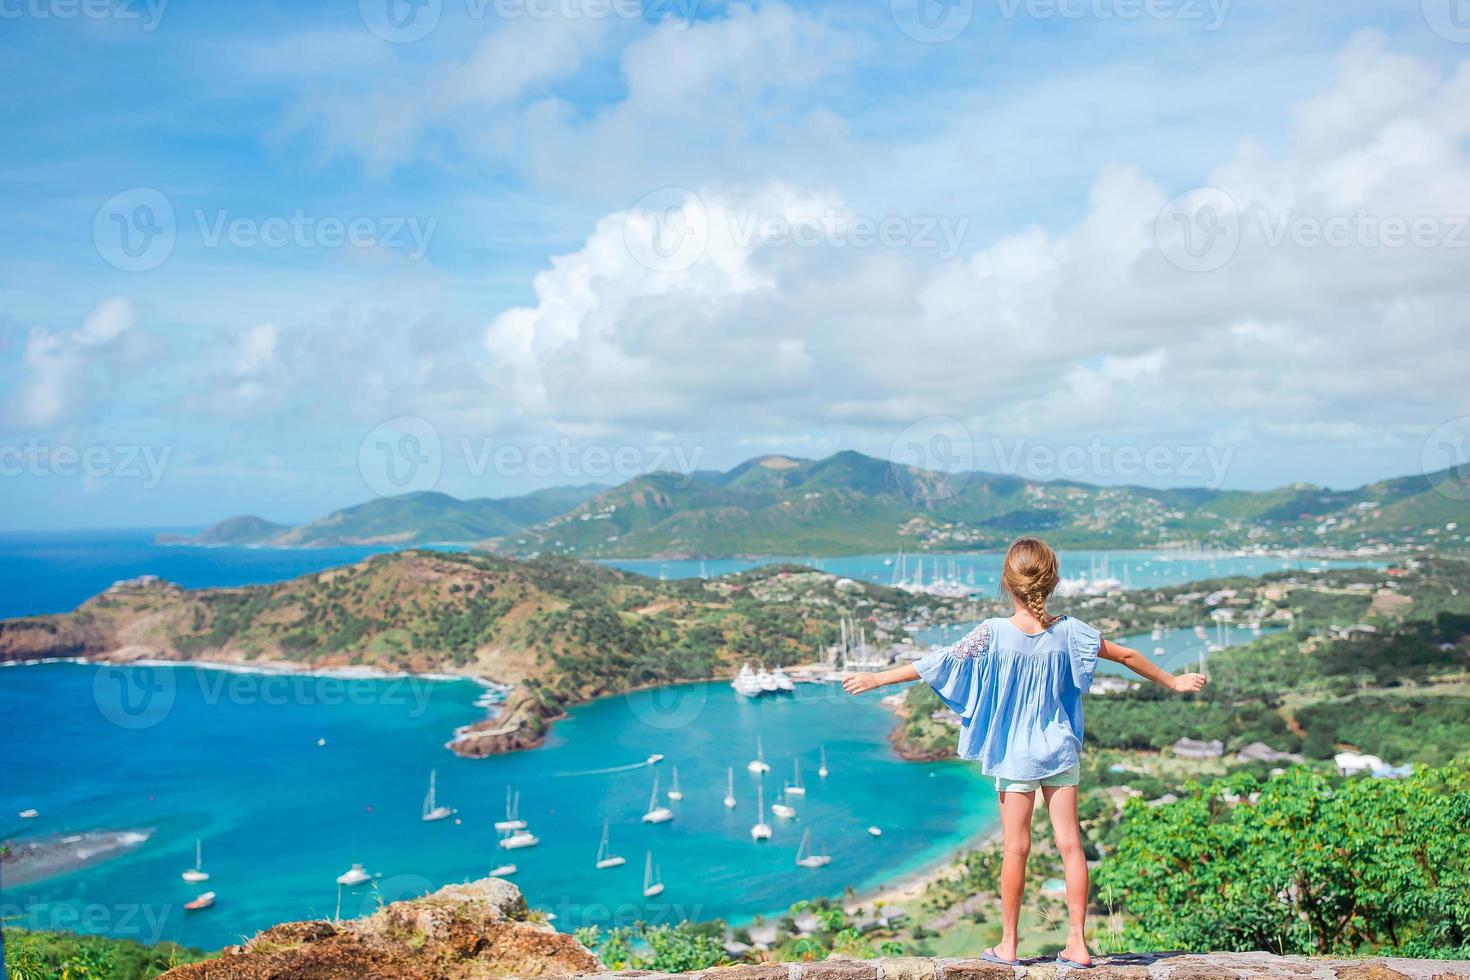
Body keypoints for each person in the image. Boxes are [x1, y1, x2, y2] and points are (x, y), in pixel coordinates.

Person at [843, 537, 1207, 969]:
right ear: (1051, 583)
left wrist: (877, 678)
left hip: (1016, 757)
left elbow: (936, 664)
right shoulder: (1071, 632)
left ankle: (1009, 945)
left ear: (1007, 583)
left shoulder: (993, 633)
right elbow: (1126, 654)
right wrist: (1174, 681)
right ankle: (1078, 945)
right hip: (1060, 752)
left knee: (1016, 848)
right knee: (1071, 846)